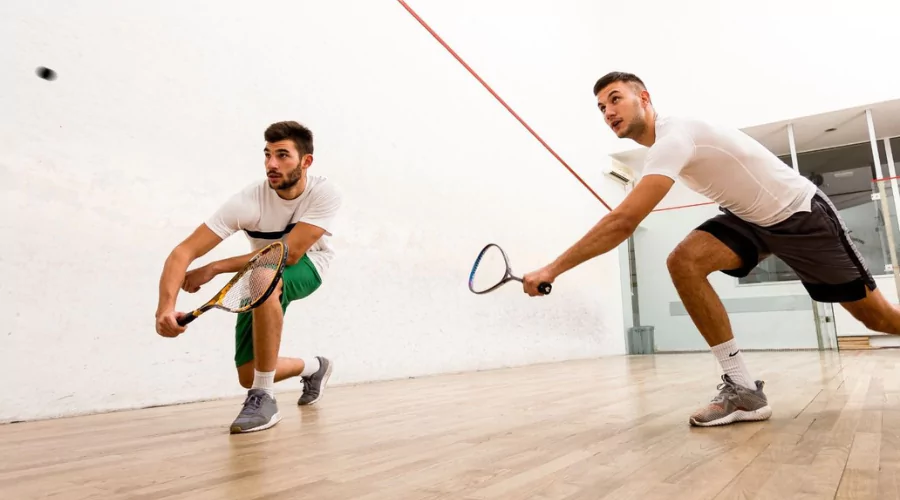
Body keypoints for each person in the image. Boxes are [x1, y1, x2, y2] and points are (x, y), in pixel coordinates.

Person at [522, 71, 900, 427]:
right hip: (749, 219)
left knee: (878, 320)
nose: (608, 112)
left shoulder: (675, 136)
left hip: (802, 216)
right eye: (602, 108)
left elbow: (623, 222)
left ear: (644, 97)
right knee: (684, 261)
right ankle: (744, 391)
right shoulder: (662, 148)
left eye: (615, 99)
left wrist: (552, 269)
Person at [155, 120, 342, 434]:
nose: (272, 164)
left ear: (306, 161)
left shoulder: (324, 193)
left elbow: (290, 254)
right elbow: (183, 252)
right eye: (267, 154)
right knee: (248, 372)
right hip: (259, 271)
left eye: (283, 155)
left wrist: (214, 267)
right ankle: (315, 367)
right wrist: (165, 308)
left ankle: (264, 397)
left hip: (309, 264)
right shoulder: (247, 201)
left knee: (262, 276)